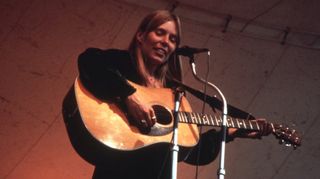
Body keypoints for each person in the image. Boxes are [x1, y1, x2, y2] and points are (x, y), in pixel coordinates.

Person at [63, 10, 272, 179]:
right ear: (141, 35)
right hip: (117, 172)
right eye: (160, 33)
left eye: (173, 39)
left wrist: (228, 133)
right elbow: (89, 61)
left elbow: (192, 151)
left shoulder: (173, 91)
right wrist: (129, 96)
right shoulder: (121, 63)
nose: (166, 42)